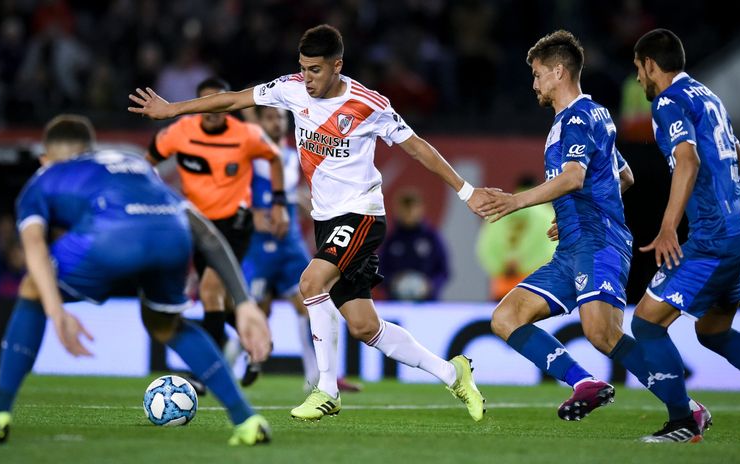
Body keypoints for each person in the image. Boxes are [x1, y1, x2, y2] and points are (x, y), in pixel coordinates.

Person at [130, 24, 486, 422]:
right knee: (364, 326)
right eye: (302, 67)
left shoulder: (368, 104)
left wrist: (466, 191)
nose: (307, 77)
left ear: (337, 65)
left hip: (361, 214)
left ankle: (326, 389)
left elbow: (417, 148)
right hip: (325, 219)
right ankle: (452, 373)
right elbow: (233, 99)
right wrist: (172, 110)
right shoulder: (292, 88)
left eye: (315, 69)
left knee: (310, 283)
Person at [0, 115, 272, 446]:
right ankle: (246, 419)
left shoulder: (45, 177)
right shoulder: (132, 164)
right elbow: (206, 233)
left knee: (32, 287)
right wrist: (243, 303)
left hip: (112, 237)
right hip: (173, 237)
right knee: (164, 324)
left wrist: (55, 311)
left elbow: (35, 246)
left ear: (44, 157)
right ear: (89, 150)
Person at [479, 29, 651, 421]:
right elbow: (624, 176)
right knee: (506, 317)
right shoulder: (592, 115)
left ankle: (685, 407)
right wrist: (574, 210)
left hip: (597, 242)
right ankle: (585, 383)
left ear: (558, 72)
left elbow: (574, 177)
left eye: (538, 74)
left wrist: (515, 201)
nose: (534, 84)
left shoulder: (576, 117)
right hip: (572, 245)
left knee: (602, 333)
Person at [629, 28, 740, 442]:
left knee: (646, 324)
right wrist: (734, 214)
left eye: (638, 69)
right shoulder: (708, 97)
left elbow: (687, 160)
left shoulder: (669, 101)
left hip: (714, 239)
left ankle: (683, 422)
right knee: (713, 332)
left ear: (651, 64)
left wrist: (669, 226)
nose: (638, 78)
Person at [146, 77, 289, 362]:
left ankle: (207, 371)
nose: (212, 111)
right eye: (206, 104)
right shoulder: (179, 133)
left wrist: (279, 203)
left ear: (226, 105)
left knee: (209, 290)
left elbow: (274, 158)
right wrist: (156, 195)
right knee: (218, 300)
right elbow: (148, 162)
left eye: (218, 104)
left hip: (234, 224)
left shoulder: (247, 135)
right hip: (197, 227)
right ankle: (258, 341)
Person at [239, 105, 361, 392]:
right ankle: (234, 363)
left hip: (290, 246)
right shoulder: (250, 154)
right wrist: (251, 214)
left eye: (281, 118)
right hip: (258, 247)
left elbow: (288, 192)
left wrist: (303, 202)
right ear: (258, 122)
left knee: (313, 303)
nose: (277, 123)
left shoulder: (293, 156)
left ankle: (319, 377)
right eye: (270, 118)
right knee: (257, 311)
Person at [475, 175, 556, 300]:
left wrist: (502, 264)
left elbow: (486, 244)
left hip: (503, 284)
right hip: (535, 283)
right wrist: (524, 264)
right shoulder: (546, 213)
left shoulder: (499, 210)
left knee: (501, 312)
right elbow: (552, 248)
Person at [379, 189, 450, 301]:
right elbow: (379, 270)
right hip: (396, 302)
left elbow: (444, 270)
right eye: (405, 208)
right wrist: (392, 282)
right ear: (398, 210)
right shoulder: (390, 239)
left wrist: (430, 285)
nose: (409, 213)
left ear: (421, 209)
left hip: (427, 303)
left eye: (412, 208)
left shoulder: (432, 237)